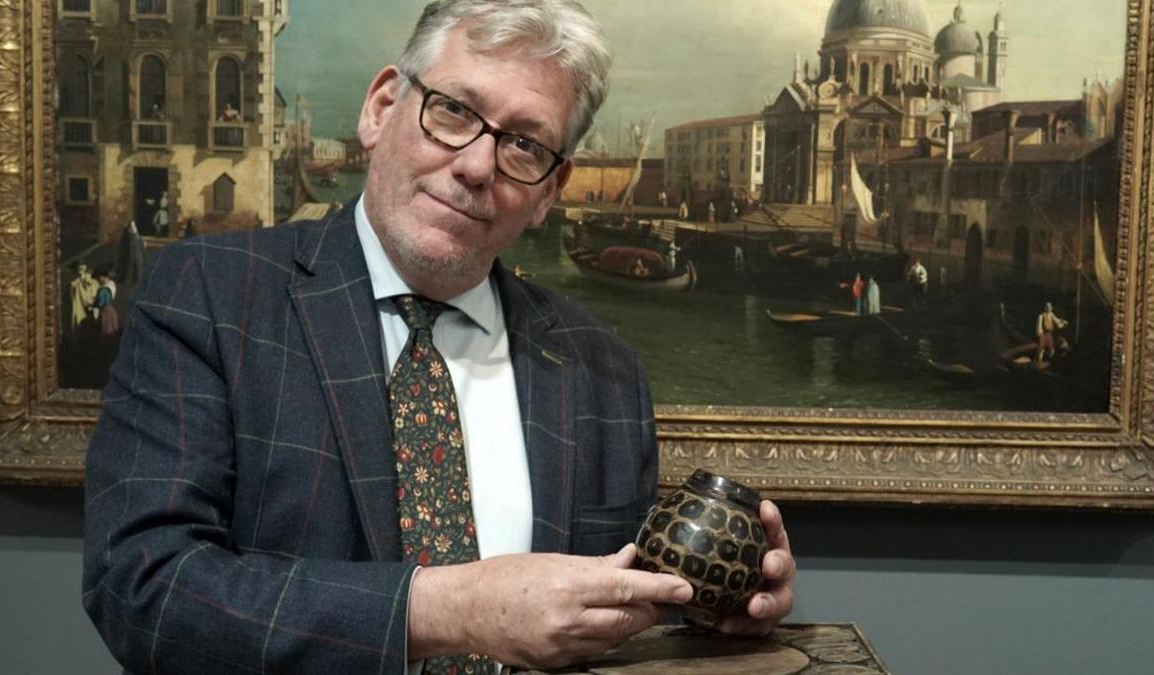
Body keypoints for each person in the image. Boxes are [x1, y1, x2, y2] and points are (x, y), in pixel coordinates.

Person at [82, 2, 795, 674]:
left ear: (550, 190)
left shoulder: (603, 371)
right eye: (453, 111)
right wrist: (452, 607)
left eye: (524, 144)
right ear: (381, 107)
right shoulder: (209, 295)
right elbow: (142, 588)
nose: (477, 165)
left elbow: (614, 616)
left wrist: (713, 609)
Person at [91, 266, 119, 337]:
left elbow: (99, 304)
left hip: (105, 313)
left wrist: (95, 314)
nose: (97, 280)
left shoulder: (103, 290)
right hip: (112, 311)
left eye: (98, 278)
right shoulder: (112, 284)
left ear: (103, 277)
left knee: (105, 332)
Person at [114, 220, 145, 285]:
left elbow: (140, 243)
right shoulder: (128, 236)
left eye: (134, 226)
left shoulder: (136, 234)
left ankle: (136, 279)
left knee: (137, 268)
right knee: (129, 268)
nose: (134, 228)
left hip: (137, 255)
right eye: (132, 226)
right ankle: (129, 279)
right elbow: (126, 247)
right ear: (129, 228)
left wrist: (142, 244)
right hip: (130, 256)